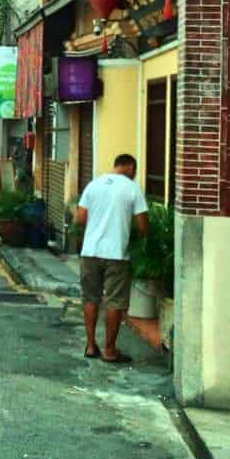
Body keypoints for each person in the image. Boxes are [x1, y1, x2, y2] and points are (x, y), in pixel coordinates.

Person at [74, 154, 149, 364]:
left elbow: (79, 219)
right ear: (130, 168)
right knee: (114, 301)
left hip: (90, 252)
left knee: (90, 298)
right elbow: (143, 226)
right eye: (134, 170)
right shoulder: (132, 188)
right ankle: (109, 350)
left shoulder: (94, 184)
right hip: (116, 254)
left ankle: (90, 346)